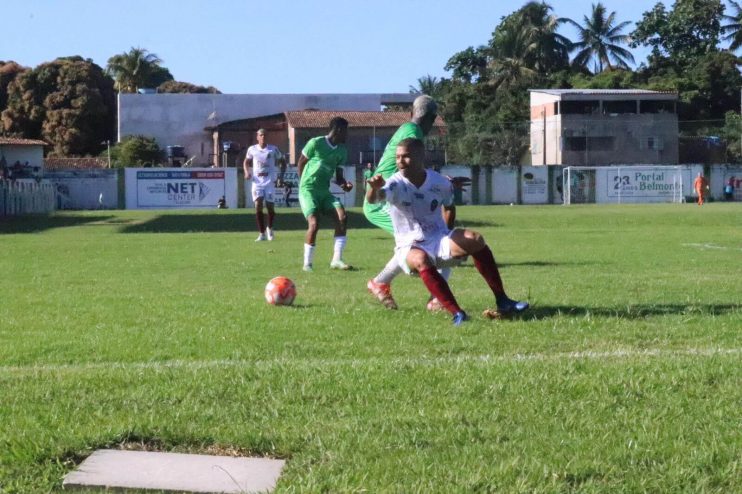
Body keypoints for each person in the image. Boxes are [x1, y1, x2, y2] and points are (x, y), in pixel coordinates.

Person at [366, 138, 528, 325]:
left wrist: (449, 236)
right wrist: (374, 189)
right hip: (408, 246)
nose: (400, 161)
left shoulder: (439, 182)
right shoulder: (395, 183)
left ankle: (503, 301)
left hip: (438, 239)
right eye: (398, 157)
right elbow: (374, 199)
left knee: (475, 239)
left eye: (406, 156)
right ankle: (457, 313)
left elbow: (449, 206)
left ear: (420, 157)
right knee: (420, 259)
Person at [364, 94, 451, 310]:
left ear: (412, 113)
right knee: (427, 240)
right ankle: (436, 297)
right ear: (433, 118)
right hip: (382, 199)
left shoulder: (408, 129)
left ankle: (382, 282)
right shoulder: (414, 134)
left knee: (419, 241)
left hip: (384, 195)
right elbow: (413, 172)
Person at [297, 116, 354, 272]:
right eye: (346, 132)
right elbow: (301, 162)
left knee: (342, 217)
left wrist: (345, 185)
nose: (348, 136)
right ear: (338, 130)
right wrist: (303, 183)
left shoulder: (342, 151)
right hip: (308, 190)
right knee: (314, 224)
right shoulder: (316, 143)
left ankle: (337, 260)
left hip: (324, 192)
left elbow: (339, 177)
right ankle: (307, 265)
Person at [243, 128, 286, 241]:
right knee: (258, 205)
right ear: (257, 137)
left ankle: (270, 228)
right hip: (257, 182)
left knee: (270, 207)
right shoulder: (252, 149)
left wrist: (280, 177)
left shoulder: (273, 149)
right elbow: (246, 162)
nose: (263, 137)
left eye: (265, 135)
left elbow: (282, 162)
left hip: (269, 182)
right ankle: (261, 234)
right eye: (261, 135)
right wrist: (247, 172)